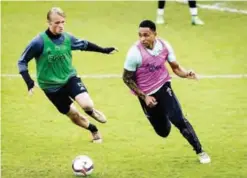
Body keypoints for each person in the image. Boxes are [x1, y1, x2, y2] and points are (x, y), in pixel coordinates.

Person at [17, 7, 118, 143]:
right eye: (57, 23)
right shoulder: (39, 42)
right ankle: (93, 129)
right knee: (74, 115)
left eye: (63, 22)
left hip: (69, 78)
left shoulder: (67, 38)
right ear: (49, 23)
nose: (61, 26)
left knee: (87, 104)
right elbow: (22, 61)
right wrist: (28, 81)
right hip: (51, 87)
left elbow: (84, 45)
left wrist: (104, 50)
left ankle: (91, 111)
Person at [122, 20, 210, 163]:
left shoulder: (164, 46)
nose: (142, 39)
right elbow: (126, 78)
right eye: (140, 35)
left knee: (178, 119)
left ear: (155, 34)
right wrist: (144, 97)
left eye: (146, 35)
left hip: (163, 86)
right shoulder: (134, 53)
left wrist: (186, 73)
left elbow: (175, 68)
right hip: (146, 94)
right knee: (163, 132)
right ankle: (165, 112)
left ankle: (200, 151)